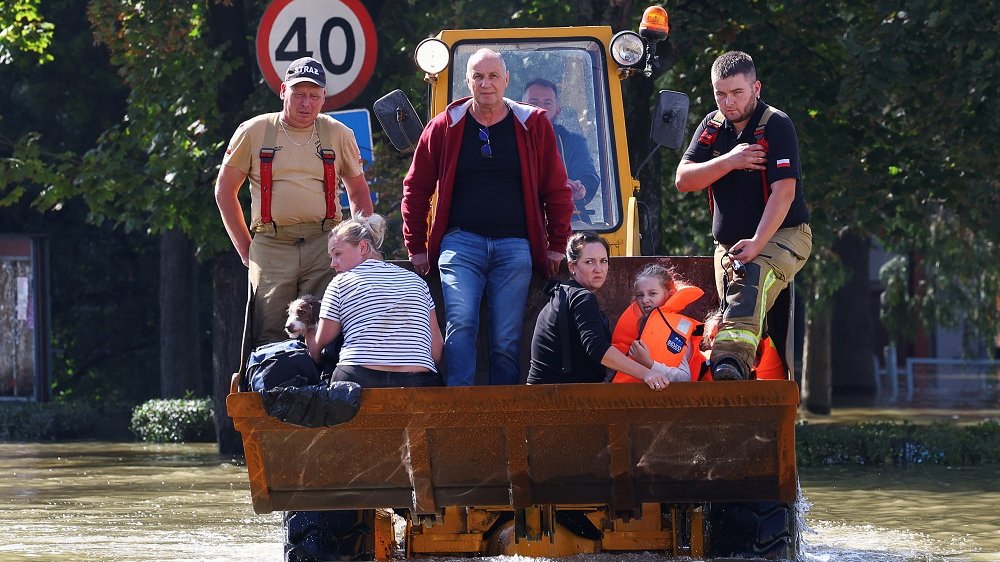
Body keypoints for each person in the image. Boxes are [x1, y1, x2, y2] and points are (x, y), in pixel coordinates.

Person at [402, 48, 574, 387]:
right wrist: (416, 246)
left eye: (493, 76)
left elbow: (556, 188)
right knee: (461, 324)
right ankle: (460, 407)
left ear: (506, 80)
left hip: (515, 246)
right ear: (467, 82)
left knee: (506, 337)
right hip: (460, 244)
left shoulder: (533, 125)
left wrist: (557, 244)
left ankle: (503, 410)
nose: (486, 83)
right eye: (478, 76)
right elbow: (416, 188)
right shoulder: (444, 126)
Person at [216, 56, 374, 346]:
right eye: (299, 94)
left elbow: (358, 192)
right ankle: (274, 375)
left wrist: (362, 248)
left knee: (329, 324)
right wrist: (246, 249)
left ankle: (328, 375)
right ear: (282, 91)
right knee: (270, 328)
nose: (306, 103)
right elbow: (225, 190)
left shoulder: (338, 133)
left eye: (314, 96)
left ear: (324, 97)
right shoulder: (254, 131)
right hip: (271, 244)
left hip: (325, 243)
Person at [675, 50, 812, 381]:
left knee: (749, 280)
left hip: (783, 235)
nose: (728, 102)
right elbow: (683, 180)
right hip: (728, 246)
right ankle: (743, 381)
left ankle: (728, 365)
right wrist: (730, 161)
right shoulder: (712, 126)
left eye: (737, 92)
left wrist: (757, 242)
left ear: (756, 88)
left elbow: (784, 193)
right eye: (720, 94)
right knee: (732, 312)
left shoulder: (776, 125)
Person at [528, 232, 678, 390]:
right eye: (589, 262)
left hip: (546, 391)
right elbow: (596, 347)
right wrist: (647, 373)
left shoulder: (565, 292)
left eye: (603, 261)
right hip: (555, 396)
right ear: (572, 266)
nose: (598, 269)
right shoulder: (582, 297)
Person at [308, 213, 443, 388]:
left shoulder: (340, 282)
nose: (333, 264)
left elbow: (319, 344)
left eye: (338, 254)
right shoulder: (417, 281)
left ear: (363, 247)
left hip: (358, 377)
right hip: (418, 380)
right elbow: (436, 351)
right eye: (331, 257)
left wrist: (308, 333)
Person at [609, 263, 705, 383]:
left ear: (669, 295)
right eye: (640, 295)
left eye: (652, 294)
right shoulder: (635, 327)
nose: (645, 300)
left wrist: (649, 364)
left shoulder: (677, 331)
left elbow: (684, 378)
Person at [521, 78, 600, 222]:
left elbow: (588, 176)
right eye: (533, 102)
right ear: (520, 108)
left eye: (547, 103)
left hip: (569, 219)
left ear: (558, 111)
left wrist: (581, 189)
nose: (540, 109)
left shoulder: (573, 142)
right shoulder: (506, 140)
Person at [695, 308, 786, 381]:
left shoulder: (763, 352)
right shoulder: (705, 360)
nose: (715, 341)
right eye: (711, 338)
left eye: (720, 334)